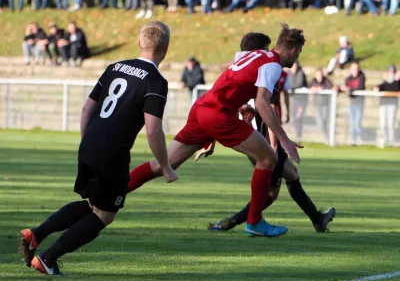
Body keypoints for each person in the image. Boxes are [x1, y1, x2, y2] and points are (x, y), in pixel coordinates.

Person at [18, 22, 177, 275]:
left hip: (90, 142)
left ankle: (36, 234)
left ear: (139, 42)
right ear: (166, 48)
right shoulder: (156, 81)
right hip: (112, 153)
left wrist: (88, 141)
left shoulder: (115, 67)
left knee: (94, 205)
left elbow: (87, 109)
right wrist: (166, 167)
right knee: (105, 215)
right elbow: (153, 129)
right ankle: (47, 259)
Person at [127, 24, 305, 238]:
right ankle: (254, 222)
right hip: (218, 114)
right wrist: (284, 139)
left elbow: (233, 82)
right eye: (299, 54)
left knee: (164, 164)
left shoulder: (257, 54)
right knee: (268, 158)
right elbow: (263, 104)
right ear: (294, 51)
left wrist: (238, 109)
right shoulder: (273, 65)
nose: (296, 60)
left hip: (202, 108)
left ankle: (111, 194)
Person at [207, 35, 335, 233]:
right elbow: (271, 107)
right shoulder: (268, 69)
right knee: (270, 194)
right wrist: (274, 146)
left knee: (292, 174)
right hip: (265, 139)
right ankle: (231, 222)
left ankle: (318, 219)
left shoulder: (242, 69)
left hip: (254, 136)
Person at [374, 65, 400, 148]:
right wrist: (376, 87)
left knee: (390, 123)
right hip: (384, 104)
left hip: (392, 105)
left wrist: (398, 80)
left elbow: (397, 88)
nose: (391, 73)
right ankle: (383, 139)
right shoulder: (385, 81)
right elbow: (381, 87)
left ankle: (391, 140)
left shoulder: (397, 82)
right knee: (382, 123)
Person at [341, 61, 365, 145]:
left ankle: (360, 139)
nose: (354, 70)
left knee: (357, 123)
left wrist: (349, 89)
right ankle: (353, 140)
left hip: (359, 103)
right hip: (352, 103)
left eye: (356, 68)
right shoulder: (349, 78)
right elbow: (344, 86)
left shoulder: (362, 77)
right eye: (353, 68)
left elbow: (359, 88)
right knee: (352, 123)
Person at [310, 69, 333, 141]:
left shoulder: (326, 81)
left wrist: (321, 88)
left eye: (320, 75)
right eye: (318, 75)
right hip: (317, 105)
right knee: (320, 122)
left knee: (325, 121)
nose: (319, 77)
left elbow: (331, 87)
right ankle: (326, 136)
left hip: (325, 105)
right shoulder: (313, 81)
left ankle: (328, 137)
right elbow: (309, 87)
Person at [289, 61, 308, 142]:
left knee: (298, 117)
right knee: (294, 117)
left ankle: (299, 135)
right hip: (294, 100)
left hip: (301, 100)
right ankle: (297, 135)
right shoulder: (290, 74)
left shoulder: (301, 73)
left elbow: (299, 84)